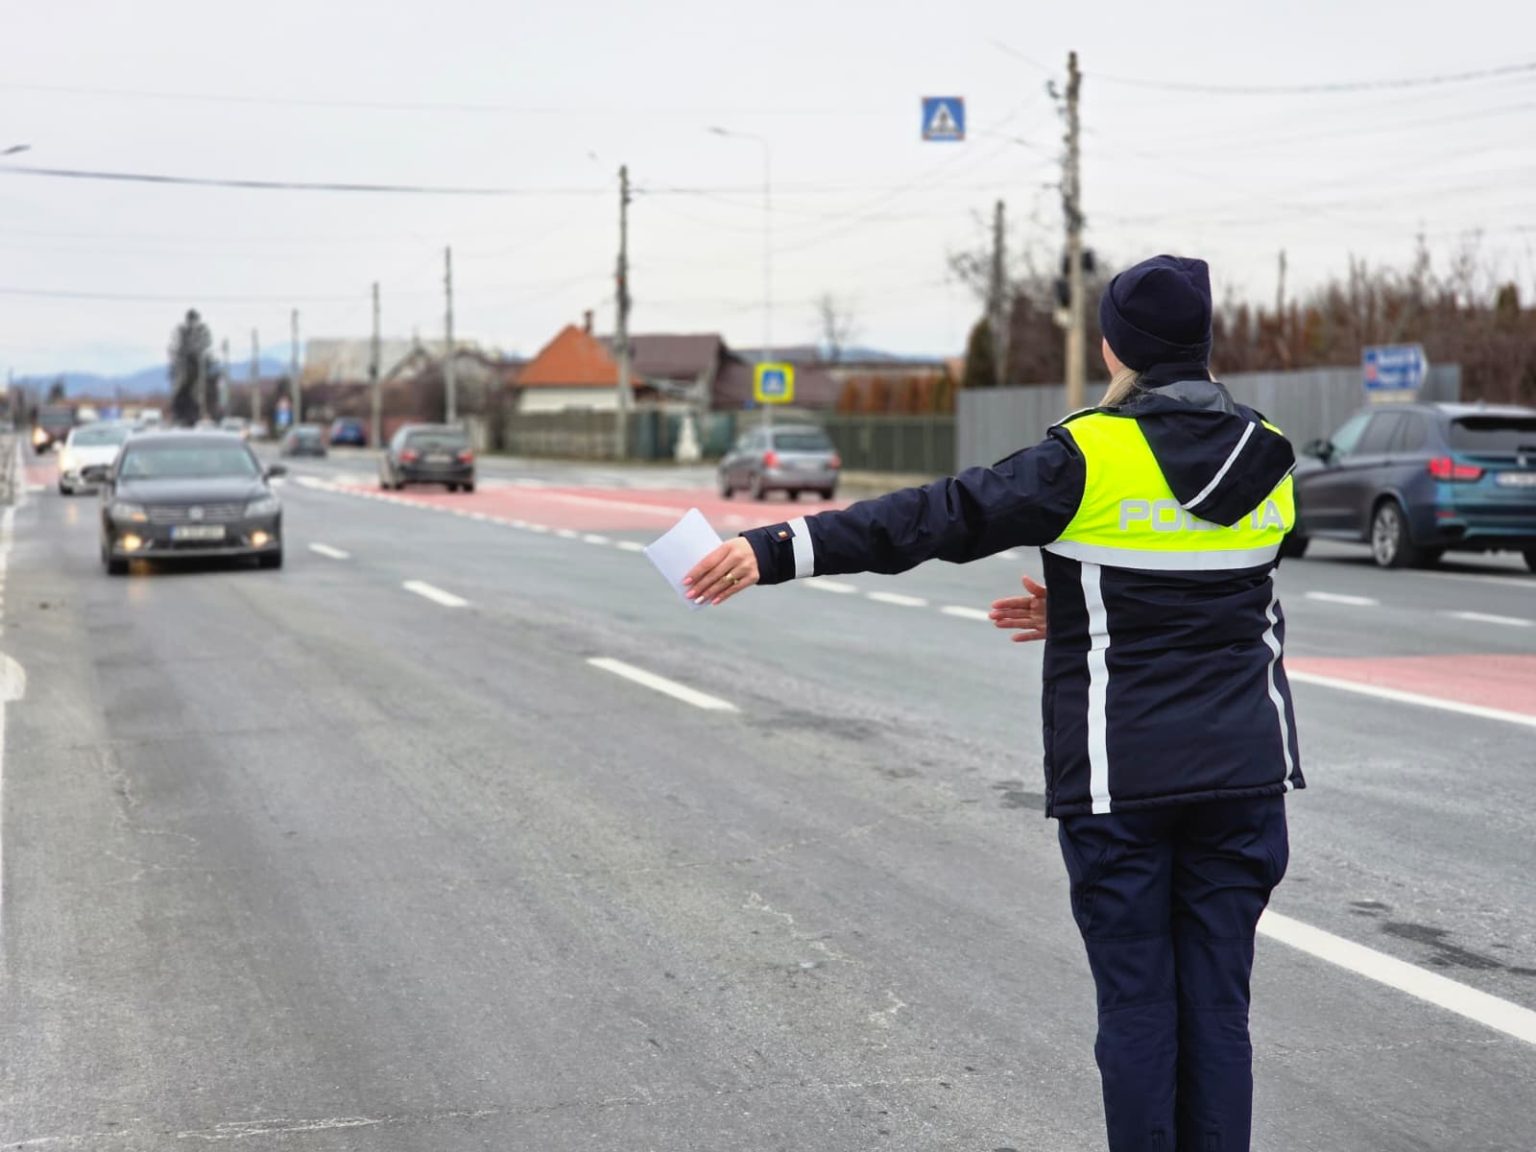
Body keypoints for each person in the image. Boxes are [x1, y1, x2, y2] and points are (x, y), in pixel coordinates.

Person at [684, 254, 1303, 1152]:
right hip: (1245, 776)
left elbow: (936, 517)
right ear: (1205, 345)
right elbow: (1233, 591)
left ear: (1112, 346)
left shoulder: (1085, 454)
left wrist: (779, 546)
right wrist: (1095, 604)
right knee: (1218, 1010)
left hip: (1119, 776)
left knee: (1137, 1008)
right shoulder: (1270, 456)